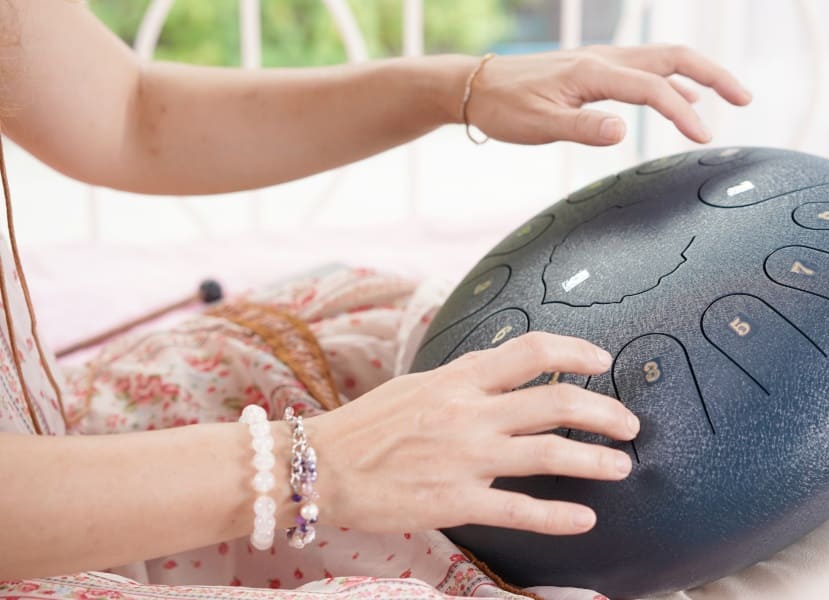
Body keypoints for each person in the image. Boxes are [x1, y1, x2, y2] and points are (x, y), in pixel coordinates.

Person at [0, 1, 751, 597]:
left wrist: (460, 87)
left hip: (45, 456)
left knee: (369, 323)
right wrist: (317, 465)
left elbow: (130, 113)